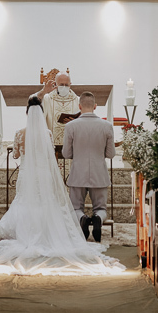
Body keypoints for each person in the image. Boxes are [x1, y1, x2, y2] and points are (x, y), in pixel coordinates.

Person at [0, 98, 123, 276]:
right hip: (43, 173)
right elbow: (50, 155)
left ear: (27, 113)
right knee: (45, 201)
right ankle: (50, 230)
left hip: (27, 173)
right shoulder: (47, 134)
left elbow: (15, 154)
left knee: (26, 201)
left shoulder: (20, 133)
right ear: (42, 113)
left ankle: (27, 232)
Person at [62, 92, 116, 242]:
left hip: (78, 173)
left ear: (79, 106)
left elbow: (66, 153)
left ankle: (83, 219)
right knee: (101, 208)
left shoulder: (70, 126)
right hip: (99, 173)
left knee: (75, 208)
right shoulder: (107, 126)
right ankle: (98, 218)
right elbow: (111, 154)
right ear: (95, 106)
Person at [32, 71, 80, 146]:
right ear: (55, 84)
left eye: (66, 85)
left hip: (72, 146)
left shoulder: (77, 100)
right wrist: (43, 91)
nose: (64, 87)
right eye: (61, 85)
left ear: (70, 84)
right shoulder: (47, 98)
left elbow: (85, 121)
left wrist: (77, 122)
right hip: (51, 145)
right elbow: (32, 102)